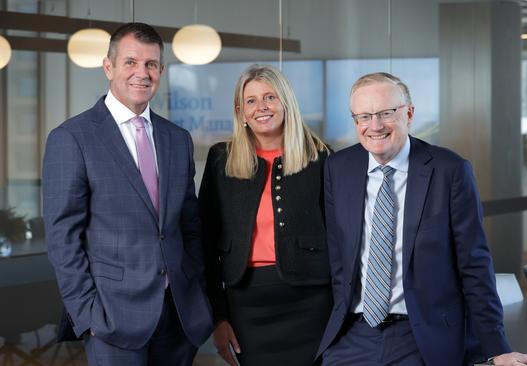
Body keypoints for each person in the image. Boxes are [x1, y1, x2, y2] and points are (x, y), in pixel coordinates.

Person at [316, 72, 527, 366]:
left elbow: (474, 264)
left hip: (420, 334)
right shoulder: (338, 168)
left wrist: (497, 346)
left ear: (409, 113)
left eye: (386, 113)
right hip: (354, 333)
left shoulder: (449, 170)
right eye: (364, 116)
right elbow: (337, 258)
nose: (374, 126)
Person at [43, 23, 213, 366]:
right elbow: (63, 237)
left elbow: (189, 223)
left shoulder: (177, 138)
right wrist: (88, 314)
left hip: (178, 313)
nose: (142, 73)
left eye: (151, 64)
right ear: (109, 67)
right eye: (131, 62)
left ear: (161, 71)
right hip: (112, 318)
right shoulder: (72, 138)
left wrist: (194, 283)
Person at [199, 64, 332, 366]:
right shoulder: (222, 159)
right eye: (251, 100)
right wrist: (218, 317)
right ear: (240, 111)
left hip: (311, 302)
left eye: (270, 97)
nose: (262, 107)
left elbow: (341, 237)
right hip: (246, 302)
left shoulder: (320, 157)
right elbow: (205, 242)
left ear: (286, 102)